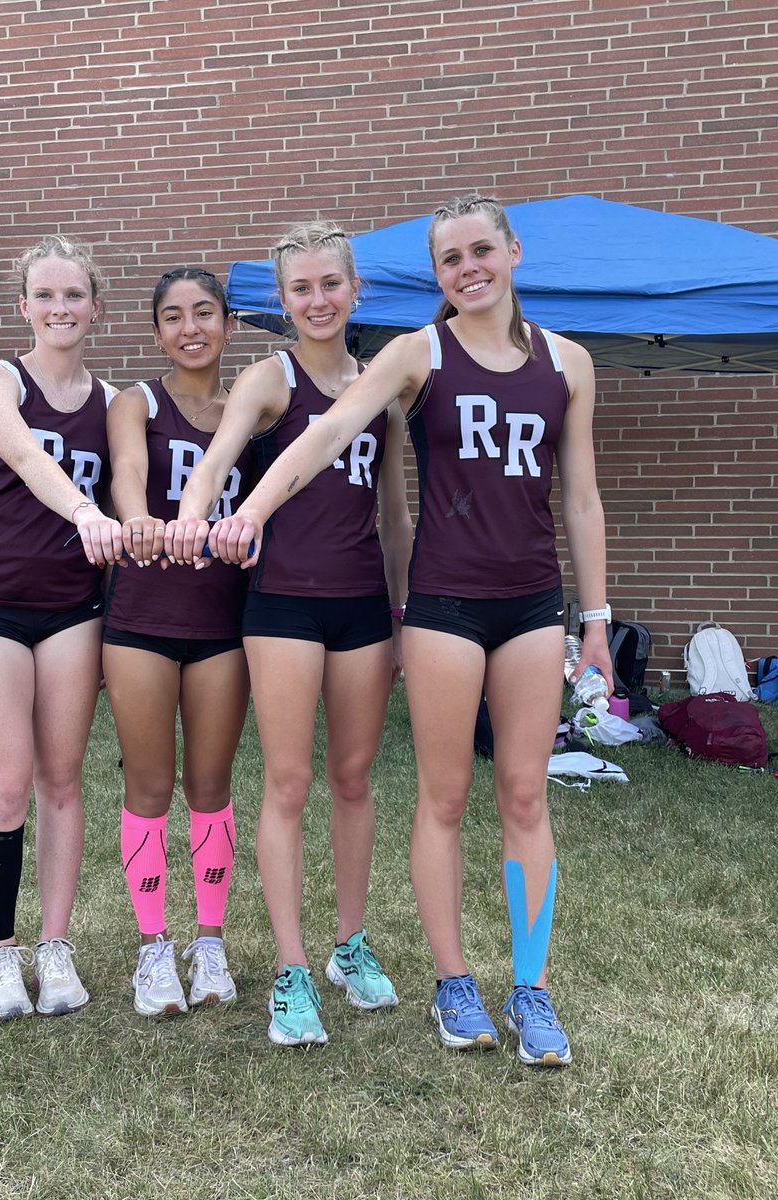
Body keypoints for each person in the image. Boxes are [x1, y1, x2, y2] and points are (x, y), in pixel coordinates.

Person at [203, 195, 613, 1067]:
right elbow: (323, 437)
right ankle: (451, 981)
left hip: (532, 605)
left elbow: (579, 497)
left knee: (527, 795)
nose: (468, 269)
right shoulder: (412, 355)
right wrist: (246, 513)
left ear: (512, 252)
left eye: (480, 252)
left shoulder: (570, 364)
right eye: (450, 259)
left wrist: (600, 622)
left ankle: (531, 990)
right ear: (435, 275)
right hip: (441, 607)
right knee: (442, 796)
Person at [168, 222, 412, 1046]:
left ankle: (349, 945)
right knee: (290, 781)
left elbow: (394, 515)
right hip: (282, 606)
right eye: (300, 288)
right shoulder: (268, 378)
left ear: (355, 290)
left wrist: (404, 613)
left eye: (330, 284)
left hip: (363, 610)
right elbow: (215, 461)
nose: (317, 300)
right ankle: (291, 968)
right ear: (282, 299)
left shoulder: (382, 384)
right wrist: (196, 518)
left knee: (353, 777)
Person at [0, 234, 125, 1019]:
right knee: (8, 782)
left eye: (74, 295)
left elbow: (131, 496)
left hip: (72, 609)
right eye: (45, 295)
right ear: (24, 306)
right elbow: (22, 455)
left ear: (95, 306)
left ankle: (56, 950)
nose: (61, 308)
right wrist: (85, 511)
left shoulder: (115, 403)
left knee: (62, 779)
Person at [102, 268, 254, 1015]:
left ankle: (212, 942)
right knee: (150, 784)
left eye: (203, 313)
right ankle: (154, 948)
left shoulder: (251, 411)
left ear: (228, 321)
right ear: (157, 330)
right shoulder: (138, 401)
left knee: (211, 785)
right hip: (140, 619)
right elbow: (129, 471)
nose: (190, 328)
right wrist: (138, 521)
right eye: (173, 316)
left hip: (225, 624)